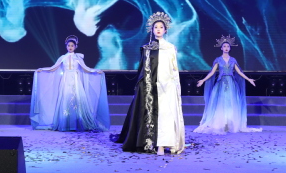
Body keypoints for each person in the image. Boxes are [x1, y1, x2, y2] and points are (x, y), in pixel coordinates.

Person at [115, 12, 185, 155]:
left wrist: (175, 86)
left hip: (167, 86)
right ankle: (152, 143)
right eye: (156, 27)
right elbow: (143, 69)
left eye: (161, 27)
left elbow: (174, 69)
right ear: (152, 30)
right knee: (152, 114)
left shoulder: (170, 48)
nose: (158, 29)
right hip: (151, 86)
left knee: (166, 115)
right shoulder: (146, 49)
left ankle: (164, 144)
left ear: (165, 30)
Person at [30, 35, 110, 131]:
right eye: (68, 45)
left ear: (75, 46)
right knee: (65, 99)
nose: (70, 47)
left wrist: (96, 71)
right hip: (66, 80)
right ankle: (66, 124)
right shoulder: (63, 57)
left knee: (78, 99)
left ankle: (78, 123)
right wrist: (42, 69)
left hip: (75, 80)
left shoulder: (78, 58)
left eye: (72, 45)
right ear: (66, 46)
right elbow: (53, 68)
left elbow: (86, 69)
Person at [194, 35, 261, 134]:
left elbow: (239, 72)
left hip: (231, 84)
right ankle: (221, 123)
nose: (226, 48)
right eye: (224, 46)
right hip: (221, 83)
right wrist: (203, 80)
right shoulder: (218, 60)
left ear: (230, 48)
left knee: (230, 103)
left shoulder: (233, 60)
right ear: (221, 48)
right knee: (221, 102)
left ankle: (230, 124)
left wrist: (248, 79)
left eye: (228, 46)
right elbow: (212, 72)